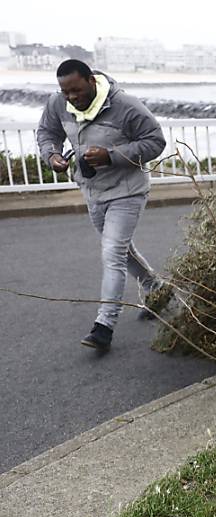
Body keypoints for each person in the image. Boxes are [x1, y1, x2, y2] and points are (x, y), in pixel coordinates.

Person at [36, 59, 168, 352]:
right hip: (93, 191)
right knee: (122, 251)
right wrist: (52, 155)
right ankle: (157, 288)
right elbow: (47, 133)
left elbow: (155, 141)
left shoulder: (125, 106)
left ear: (92, 81)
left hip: (127, 191)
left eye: (76, 90)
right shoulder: (58, 103)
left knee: (112, 254)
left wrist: (111, 155)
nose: (71, 97)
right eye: (65, 91)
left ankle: (104, 326)